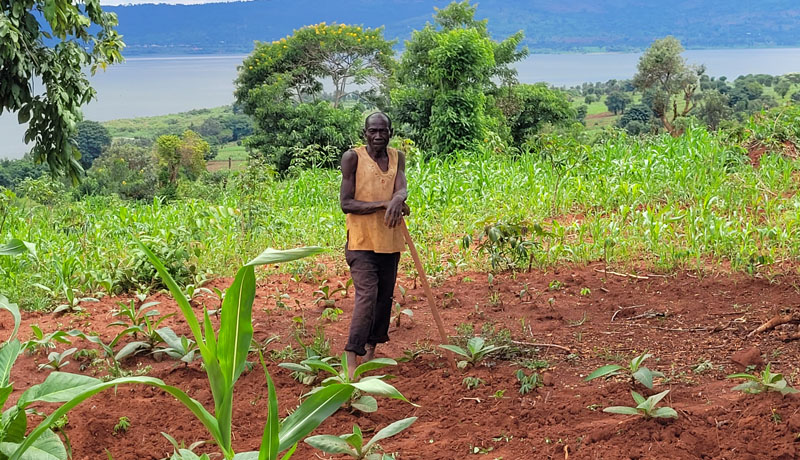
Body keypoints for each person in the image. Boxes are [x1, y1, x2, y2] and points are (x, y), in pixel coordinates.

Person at [339, 112, 409, 378]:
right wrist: (384, 203)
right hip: (361, 241)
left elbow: (401, 187)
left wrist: (398, 199)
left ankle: (370, 351)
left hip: (390, 241)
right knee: (367, 296)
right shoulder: (353, 158)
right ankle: (351, 354)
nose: (378, 136)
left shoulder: (397, 157)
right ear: (364, 133)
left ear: (391, 132)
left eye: (383, 131)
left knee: (384, 298)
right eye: (373, 131)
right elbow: (346, 203)